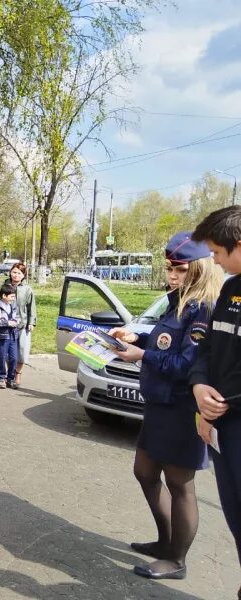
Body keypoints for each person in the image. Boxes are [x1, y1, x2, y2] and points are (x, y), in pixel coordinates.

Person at [108, 231, 223, 581]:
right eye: (169, 269)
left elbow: (187, 365)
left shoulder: (203, 308)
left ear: (199, 269)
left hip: (182, 408)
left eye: (180, 269)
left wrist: (142, 354)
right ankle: (164, 541)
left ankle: (177, 559)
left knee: (179, 484)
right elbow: (165, 344)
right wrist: (136, 337)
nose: (171, 276)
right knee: (144, 471)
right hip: (159, 404)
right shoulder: (178, 301)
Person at [190, 206, 241, 596]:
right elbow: (206, 349)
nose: (214, 260)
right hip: (223, 428)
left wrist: (221, 404)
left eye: (218, 253)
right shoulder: (230, 289)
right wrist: (200, 390)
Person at [6, 263, 36, 387]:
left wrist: (31, 322)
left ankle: (17, 373)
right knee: (7, 351)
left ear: (23, 275)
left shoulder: (27, 289)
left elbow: (31, 307)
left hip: (22, 324)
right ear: (10, 272)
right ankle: (9, 373)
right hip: (7, 324)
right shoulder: (5, 286)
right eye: (14, 272)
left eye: (19, 273)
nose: (16, 275)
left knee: (22, 351)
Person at [0, 282, 19, 390]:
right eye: (12, 296)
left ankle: (11, 378)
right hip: (2, 335)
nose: (14, 298)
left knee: (14, 358)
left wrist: (17, 321)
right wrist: (7, 323)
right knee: (1, 356)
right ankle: (1, 378)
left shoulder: (13, 306)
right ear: (4, 296)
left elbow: (18, 316)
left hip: (13, 335)